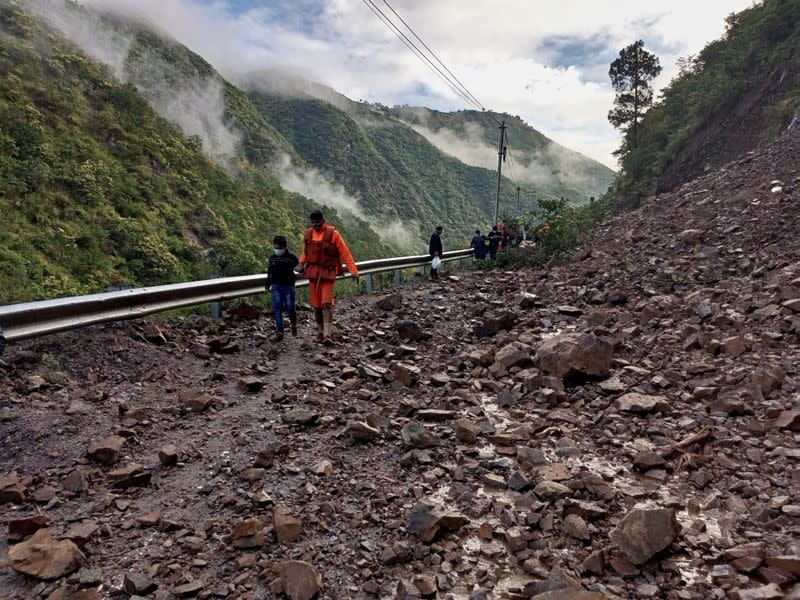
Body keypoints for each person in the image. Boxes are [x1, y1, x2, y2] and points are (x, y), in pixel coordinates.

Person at [298, 209, 359, 345]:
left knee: (326, 303)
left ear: (323, 221)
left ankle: (327, 334)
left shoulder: (333, 234)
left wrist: (353, 271)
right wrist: (300, 264)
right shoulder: (308, 234)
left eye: (318, 222)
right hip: (313, 273)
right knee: (316, 306)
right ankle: (320, 333)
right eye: (313, 222)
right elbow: (305, 253)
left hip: (328, 272)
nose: (316, 225)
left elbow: (345, 253)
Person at [265, 235, 299, 342]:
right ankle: (279, 332)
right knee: (277, 309)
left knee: (290, 307)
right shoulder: (272, 258)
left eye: (280, 248)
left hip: (288, 286)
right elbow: (270, 273)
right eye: (276, 247)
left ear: (285, 247)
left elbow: (300, 266)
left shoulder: (291, 258)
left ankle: (293, 324)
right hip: (276, 286)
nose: (278, 250)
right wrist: (267, 285)